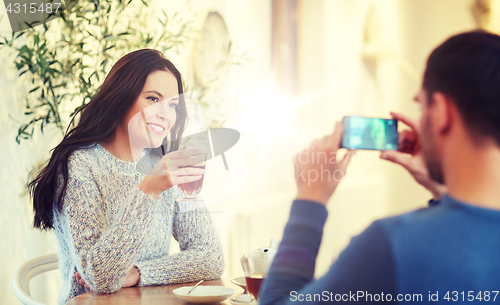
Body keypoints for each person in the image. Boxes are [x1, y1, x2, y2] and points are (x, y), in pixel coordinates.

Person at [260, 30, 500, 304]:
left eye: (422, 108)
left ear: (442, 112)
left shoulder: (394, 246)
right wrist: (441, 191)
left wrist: (310, 198)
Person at [28, 49, 224, 305]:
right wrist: (149, 189)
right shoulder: (80, 166)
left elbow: (210, 257)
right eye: (153, 99)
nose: (166, 115)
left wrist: (139, 273)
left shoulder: (162, 164)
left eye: (173, 105)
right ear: (122, 97)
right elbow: (101, 277)